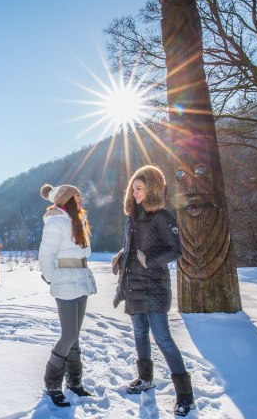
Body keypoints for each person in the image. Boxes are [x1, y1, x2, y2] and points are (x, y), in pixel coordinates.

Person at [111, 165, 195, 416]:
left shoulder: (162, 216)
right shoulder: (132, 217)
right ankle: (145, 379)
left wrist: (150, 260)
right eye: (133, 188)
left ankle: (186, 396)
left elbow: (175, 250)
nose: (135, 193)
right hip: (133, 284)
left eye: (140, 188)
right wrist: (122, 255)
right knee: (139, 333)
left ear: (153, 189)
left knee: (163, 339)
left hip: (154, 287)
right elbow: (134, 247)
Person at [38, 183, 98, 408]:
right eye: (78, 196)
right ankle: (52, 383)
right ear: (68, 199)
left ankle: (74, 382)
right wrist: (54, 279)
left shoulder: (77, 220)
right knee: (68, 334)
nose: (81, 199)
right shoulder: (55, 222)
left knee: (76, 335)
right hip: (65, 282)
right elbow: (45, 256)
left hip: (81, 280)